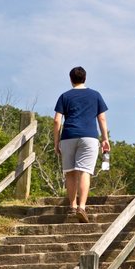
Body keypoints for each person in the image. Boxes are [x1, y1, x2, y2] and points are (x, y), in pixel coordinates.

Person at [53, 66, 111, 223]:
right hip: (89, 137)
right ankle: (82, 207)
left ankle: (72, 205)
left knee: (70, 173)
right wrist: (105, 138)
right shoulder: (95, 95)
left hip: (68, 136)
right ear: (85, 78)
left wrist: (56, 141)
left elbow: (57, 120)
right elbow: (102, 118)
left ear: (71, 79)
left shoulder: (64, 96)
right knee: (84, 172)